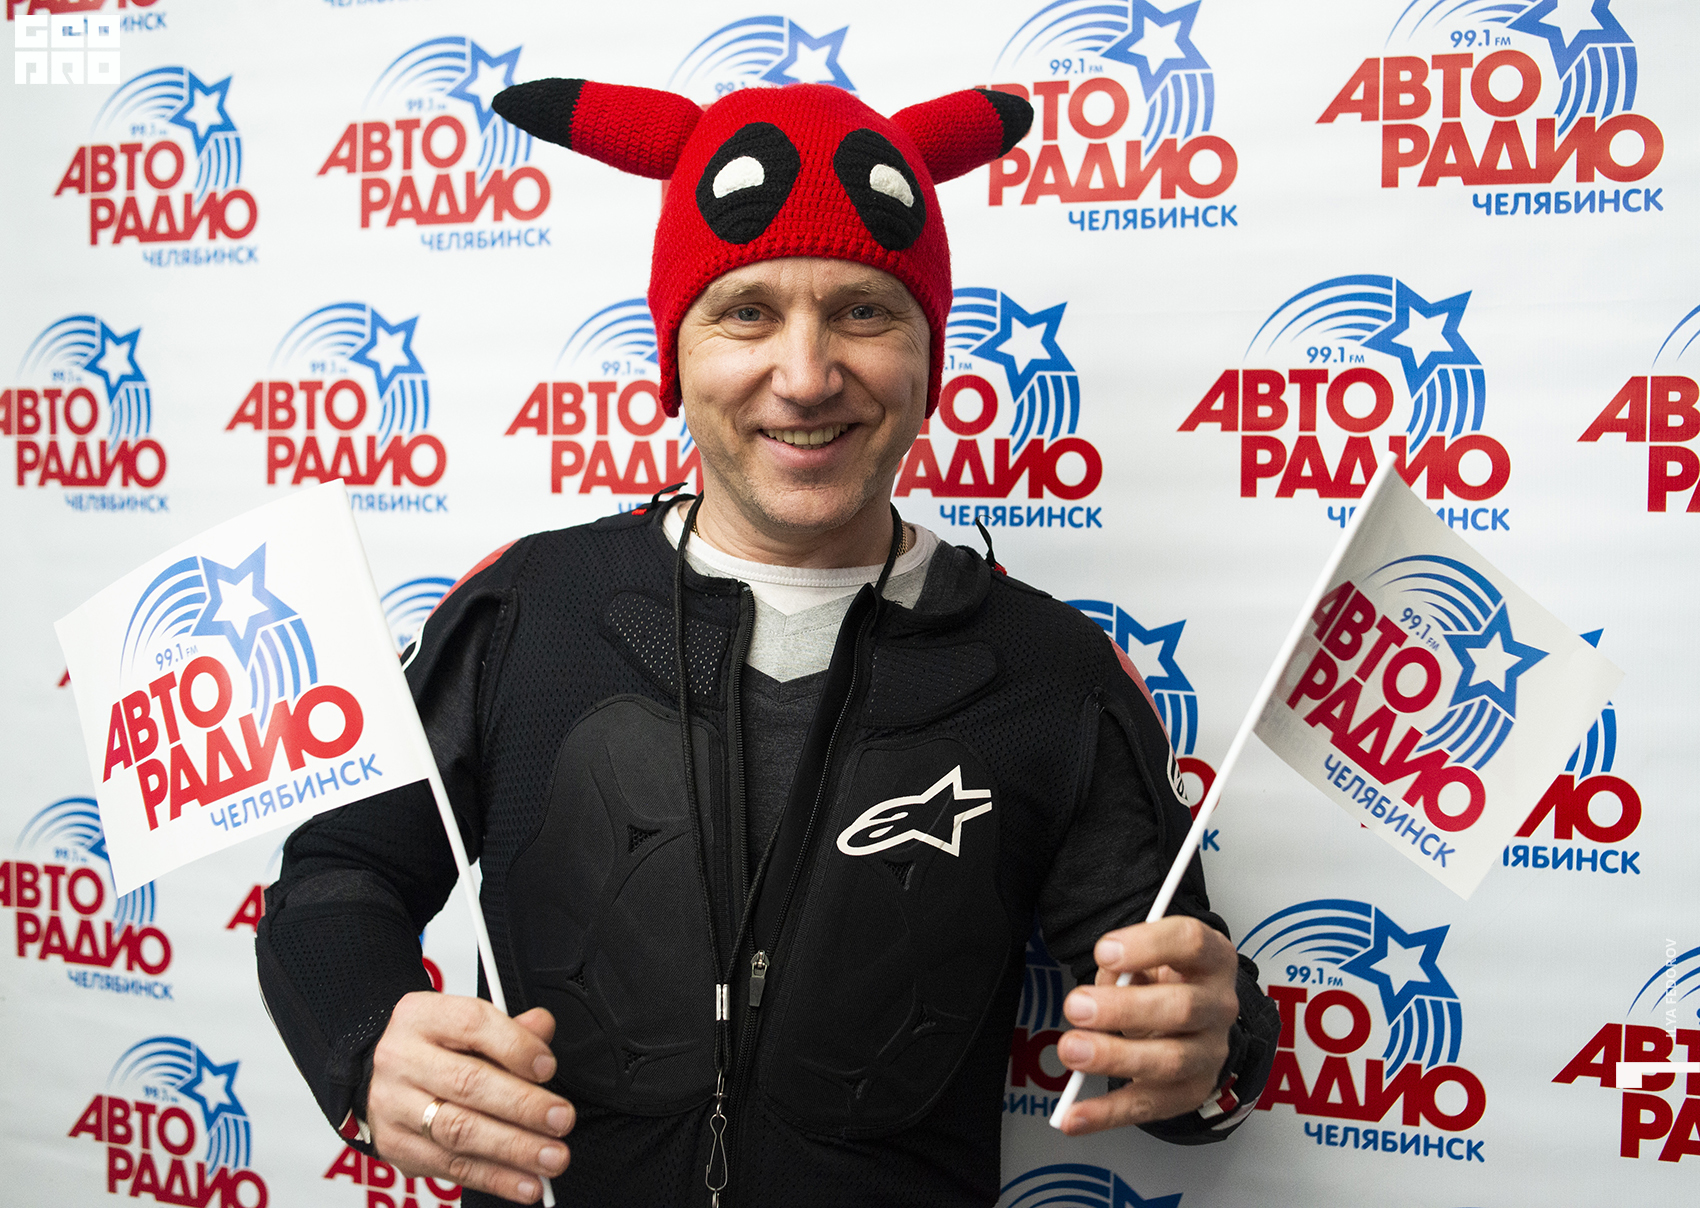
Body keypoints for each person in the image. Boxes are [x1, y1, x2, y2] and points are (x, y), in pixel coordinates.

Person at [256, 79, 1279, 1207]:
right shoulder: (525, 612)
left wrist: (1208, 1046)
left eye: (862, 312)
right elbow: (340, 870)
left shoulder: (1051, 674)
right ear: (675, 354)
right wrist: (365, 1037)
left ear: (928, 358)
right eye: (745, 312)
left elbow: (1172, 1027)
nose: (803, 376)